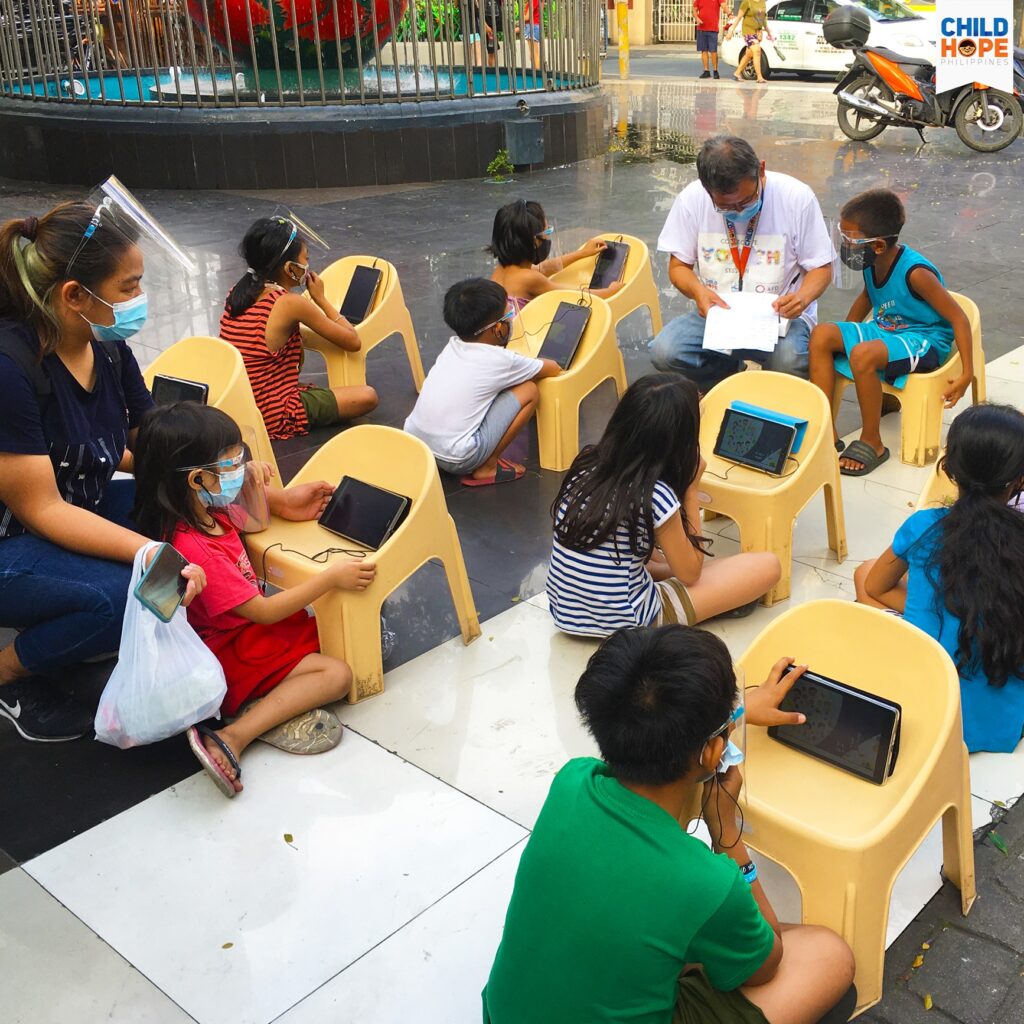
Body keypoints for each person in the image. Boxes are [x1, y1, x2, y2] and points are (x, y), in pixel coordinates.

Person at [483, 625, 857, 1024]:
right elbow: (768, 963)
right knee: (828, 955)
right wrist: (726, 832)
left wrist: (736, 714)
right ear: (715, 751)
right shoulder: (708, 883)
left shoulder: (572, 782)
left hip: (504, 1014)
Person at [0, 202, 206, 743]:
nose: (139, 301)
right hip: (14, 538)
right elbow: (41, 508)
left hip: (72, 508)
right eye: (129, 286)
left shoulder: (106, 349)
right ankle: (8, 672)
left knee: (184, 517)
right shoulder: (11, 367)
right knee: (124, 597)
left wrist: (222, 472)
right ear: (74, 295)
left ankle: (64, 622)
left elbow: (147, 439)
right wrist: (145, 553)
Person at [133, 402, 374, 797]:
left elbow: (258, 521)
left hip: (243, 634)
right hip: (230, 647)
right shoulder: (196, 545)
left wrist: (251, 483)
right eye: (231, 464)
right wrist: (330, 577)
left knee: (339, 637)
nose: (240, 467)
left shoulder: (209, 510)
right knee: (337, 674)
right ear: (197, 479)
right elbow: (262, 612)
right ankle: (233, 734)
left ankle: (255, 704)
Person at [546, 372, 781, 635]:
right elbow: (691, 574)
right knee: (767, 565)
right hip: (632, 623)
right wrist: (691, 490)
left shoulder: (588, 464)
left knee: (665, 557)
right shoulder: (655, 494)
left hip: (566, 613)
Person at [855, 404, 1024, 754]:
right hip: (1000, 725)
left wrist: (932, 608)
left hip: (921, 716)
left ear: (947, 468)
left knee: (863, 573)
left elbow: (874, 587)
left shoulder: (924, 525)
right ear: (1020, 480)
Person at [809, 189, 972, 476]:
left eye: (850, 239)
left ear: (879, 245)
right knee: (822, 335)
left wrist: (967, 372)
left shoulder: (916, 273)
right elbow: (866, 299)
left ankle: (872, 441)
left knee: (862, 354)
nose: (845, 245)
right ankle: (826, 429)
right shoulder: (871, 262)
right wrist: (844, 336)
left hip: (924, 340)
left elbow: (958, 317)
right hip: (887, 331)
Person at [650, 136, 833, 392]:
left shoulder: (796, 198)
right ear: (706, 189)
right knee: (665, 351)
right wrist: (699, 292)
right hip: (719, 313)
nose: (738, 211)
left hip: (780, 316)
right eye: (725, 206)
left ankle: (774, 405)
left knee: (789, 361)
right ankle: (725, 379)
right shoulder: (691, 200)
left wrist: (801, 298)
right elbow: (678, 266)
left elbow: (822, 267)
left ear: (761, 169)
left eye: (747, 201)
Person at [219, 216, 378, 441]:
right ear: (290, 268)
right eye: (305, 259)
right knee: (367, 396)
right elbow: (352, 341)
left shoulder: (237, 293)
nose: (307, 267)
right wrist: (321, 299)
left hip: (241, 403)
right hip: (274, 412)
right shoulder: (289, 303)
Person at [404, 278, 560, 486]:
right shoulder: (501, 361)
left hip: (417, 445)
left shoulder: (453, 346)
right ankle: (488, 466)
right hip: (458, 457)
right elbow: (553, 368)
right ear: (497, 329)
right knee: (528, 390)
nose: (513, 320)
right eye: (510, 315)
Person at [488, 199, 623, 313]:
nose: (548, 238)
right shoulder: (529, 279)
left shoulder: (502, 271)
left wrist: (582, 253)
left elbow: (544, 268)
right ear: (534, 241)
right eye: (547, 231)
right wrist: (610, 291)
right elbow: (577, 296)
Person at [725, 0, 773, 84]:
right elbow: (739, 18)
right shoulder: (747, 2)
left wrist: (768, 31)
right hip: (748, 30)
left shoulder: (762, 2)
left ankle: (737, 73)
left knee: (749, 54)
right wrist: (731, 30)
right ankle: (759, 77)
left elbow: (763, 18)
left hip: (757, 31)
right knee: (757, 50)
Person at [694, 0, 726, 78]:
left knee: (713, 51)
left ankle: (715, 71)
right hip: (701, 28)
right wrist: (697, 18)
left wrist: (729, 13)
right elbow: (694, 9)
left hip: (713, 28)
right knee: (704, 50)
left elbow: (724, 6)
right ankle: (706, 71)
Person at [469, 0, 500, 67]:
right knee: (486, 53)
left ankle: (491, 70)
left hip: (490, 28)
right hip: (484, 28)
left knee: (492, 51)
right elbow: (478, 14)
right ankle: (490, 70)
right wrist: (486, 27)